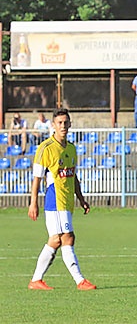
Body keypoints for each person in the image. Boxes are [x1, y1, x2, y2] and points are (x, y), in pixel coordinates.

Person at [27, 108, 96, 291]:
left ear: (70, 124)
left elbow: (73, 176)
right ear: (53, 126)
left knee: (56, 240)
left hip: (67, 201)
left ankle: (36, 280)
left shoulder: (72, 148)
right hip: (54, 200)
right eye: (59, 123)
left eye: (66, 122)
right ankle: (80, 281)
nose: (63, 126)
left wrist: (81, 198)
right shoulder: (46, 148)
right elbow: (37, 179)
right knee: (67, 237)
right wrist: (33, 202)